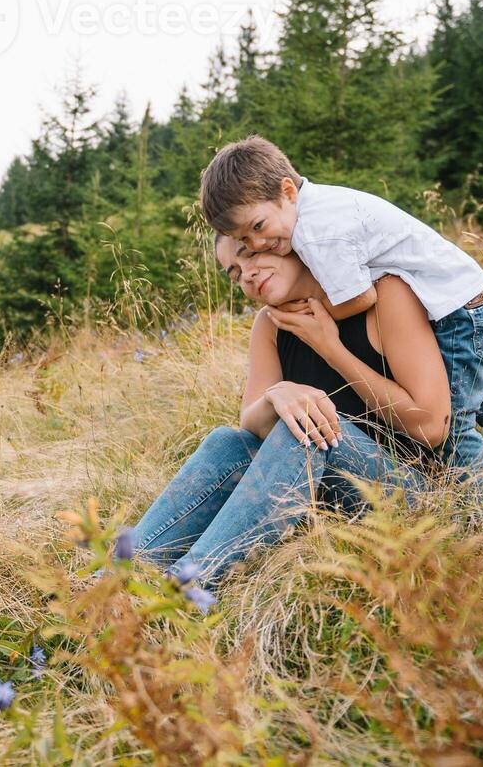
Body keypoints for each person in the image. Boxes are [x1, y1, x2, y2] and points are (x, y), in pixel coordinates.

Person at [198, 135, 483, 511]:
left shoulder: (318, 232)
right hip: (465, 296)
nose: (258, 245)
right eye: (244, 241)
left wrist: (322, 323)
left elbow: (362, 298)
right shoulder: (316, 209)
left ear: (288, 191)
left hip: (454, 310)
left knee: (454, 430)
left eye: (257, 228)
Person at [127, 238, 446, 596]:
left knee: (303, 427)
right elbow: (252, 424)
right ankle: (112, 579)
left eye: (249, 252)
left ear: (285, 241)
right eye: (234, 273)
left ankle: (183, 593)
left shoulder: (383, 294)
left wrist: (330, 348)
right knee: (227, 441)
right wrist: (279, 394)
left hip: (408, 497)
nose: (246, 274)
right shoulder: (271, 324)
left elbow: (431, 427)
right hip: (323, 499)